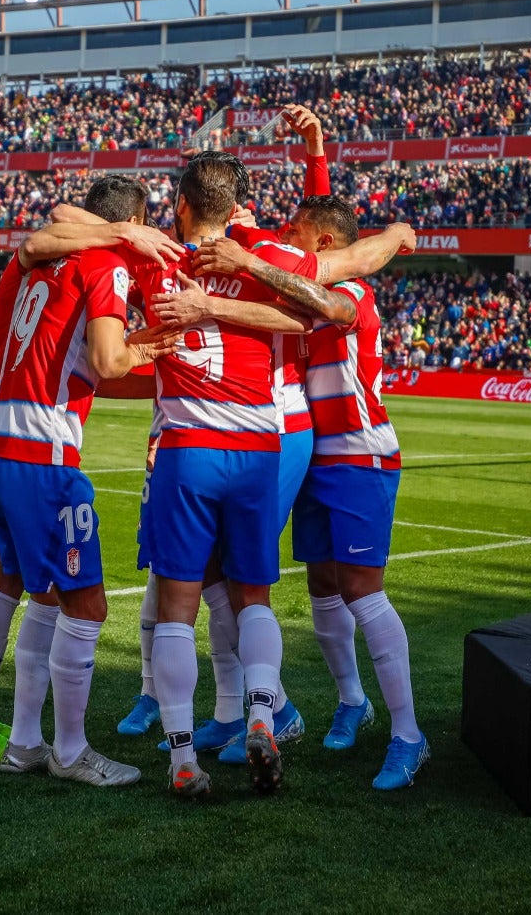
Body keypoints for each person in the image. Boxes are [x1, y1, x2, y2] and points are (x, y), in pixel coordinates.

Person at [0, 177, 185, 765]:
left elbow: (88, 364)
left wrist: (151, 369)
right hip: (36, 443)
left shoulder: (36, 262)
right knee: (62, 597)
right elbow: (107, 359)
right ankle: (59, 748)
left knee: (15, 584)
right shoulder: (102, 265)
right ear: (136, 224)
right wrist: (148, 351)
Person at [130, 156, 354, 797]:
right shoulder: (267, 258)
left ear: (179, 204)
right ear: (237, 209)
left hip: (188, 446)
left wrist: (193, 303)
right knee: (255, 597)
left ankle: (180, 756)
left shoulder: (153, 259)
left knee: (178, 607)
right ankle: (259, 714)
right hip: (259, 446)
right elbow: (322, 311)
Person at [197, 195, 427, 790]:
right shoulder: (302, 284)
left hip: (360, 455)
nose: (286, 234)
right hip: (314, 455)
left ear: (323, 243)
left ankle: (408, 735)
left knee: (362, 591)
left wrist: (250, 261)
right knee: (323, 587)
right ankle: (352, 701)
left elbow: (327, 302)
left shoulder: (351, 291)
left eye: (295, 230)